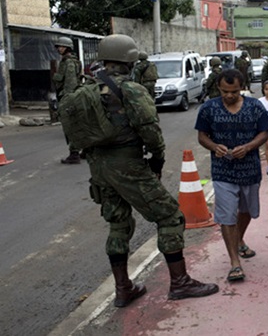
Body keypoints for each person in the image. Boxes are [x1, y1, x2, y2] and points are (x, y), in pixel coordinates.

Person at [82, 34, 218, 307]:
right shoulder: (131, 90)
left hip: (99, 167)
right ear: (129, 61)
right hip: (128, 165)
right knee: (169, 216)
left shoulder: (85, 90)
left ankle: (123, 288)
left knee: (118, 223)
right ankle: (179, 282)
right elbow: (150, 132)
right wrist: (156, 160)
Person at [195, 69, 268, 282]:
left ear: (242, 87)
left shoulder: (255, 107)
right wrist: (213, 146)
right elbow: (202, 136)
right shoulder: (208, 109)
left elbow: (264, 133)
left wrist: (248, 147)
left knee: (247, 211)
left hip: (250, 169)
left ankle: (239, 240)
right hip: (222, 171)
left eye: (234, 91)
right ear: (219, 88)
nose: (229, 95)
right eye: (225, 91)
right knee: (227, 215)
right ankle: (234, 262)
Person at [52, 36, 82, 164]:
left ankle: (74, 154)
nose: (59, 48)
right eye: (58, 46)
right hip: (69, 95)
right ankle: (84, 150)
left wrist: (67, 100)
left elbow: (70, 83)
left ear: (68, 48)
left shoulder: (69, 62)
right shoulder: (67, 61)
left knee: (70, 125)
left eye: (62, 46)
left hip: (68, 97)